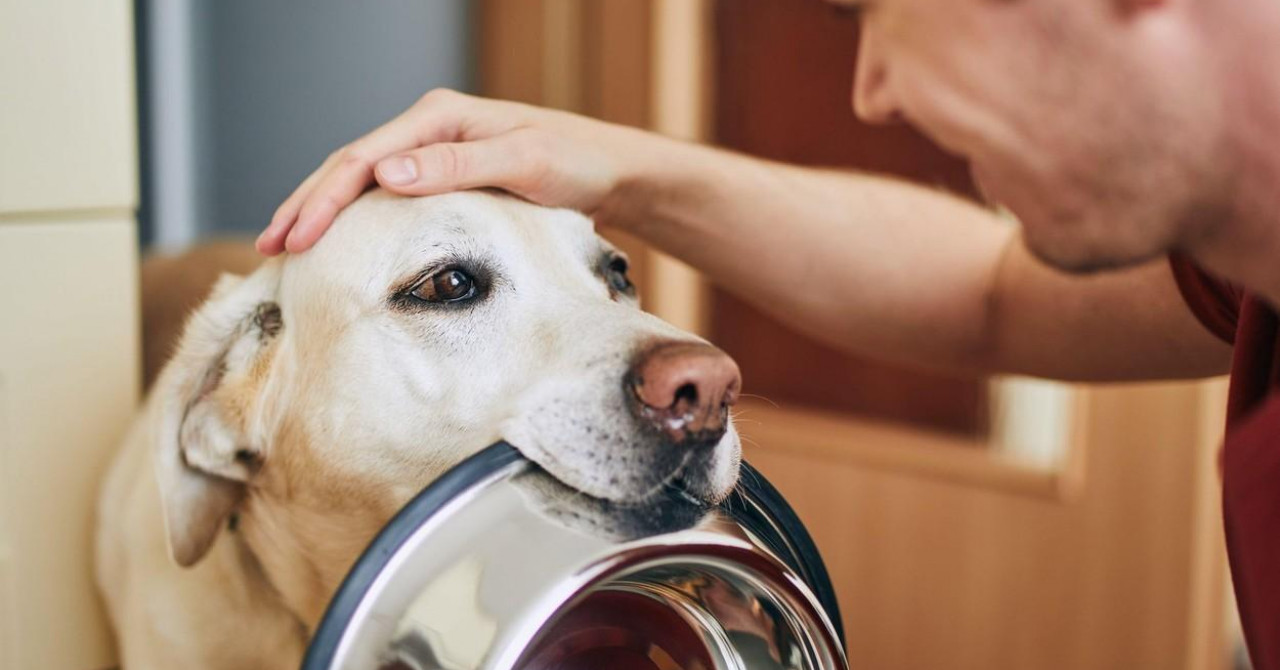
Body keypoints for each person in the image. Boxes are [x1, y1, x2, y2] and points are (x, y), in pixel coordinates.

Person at [256, 0, 1280, 665]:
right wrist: (620, 170)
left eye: (879, 11)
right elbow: (988, 292)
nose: (871, 87)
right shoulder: (1248, 267)